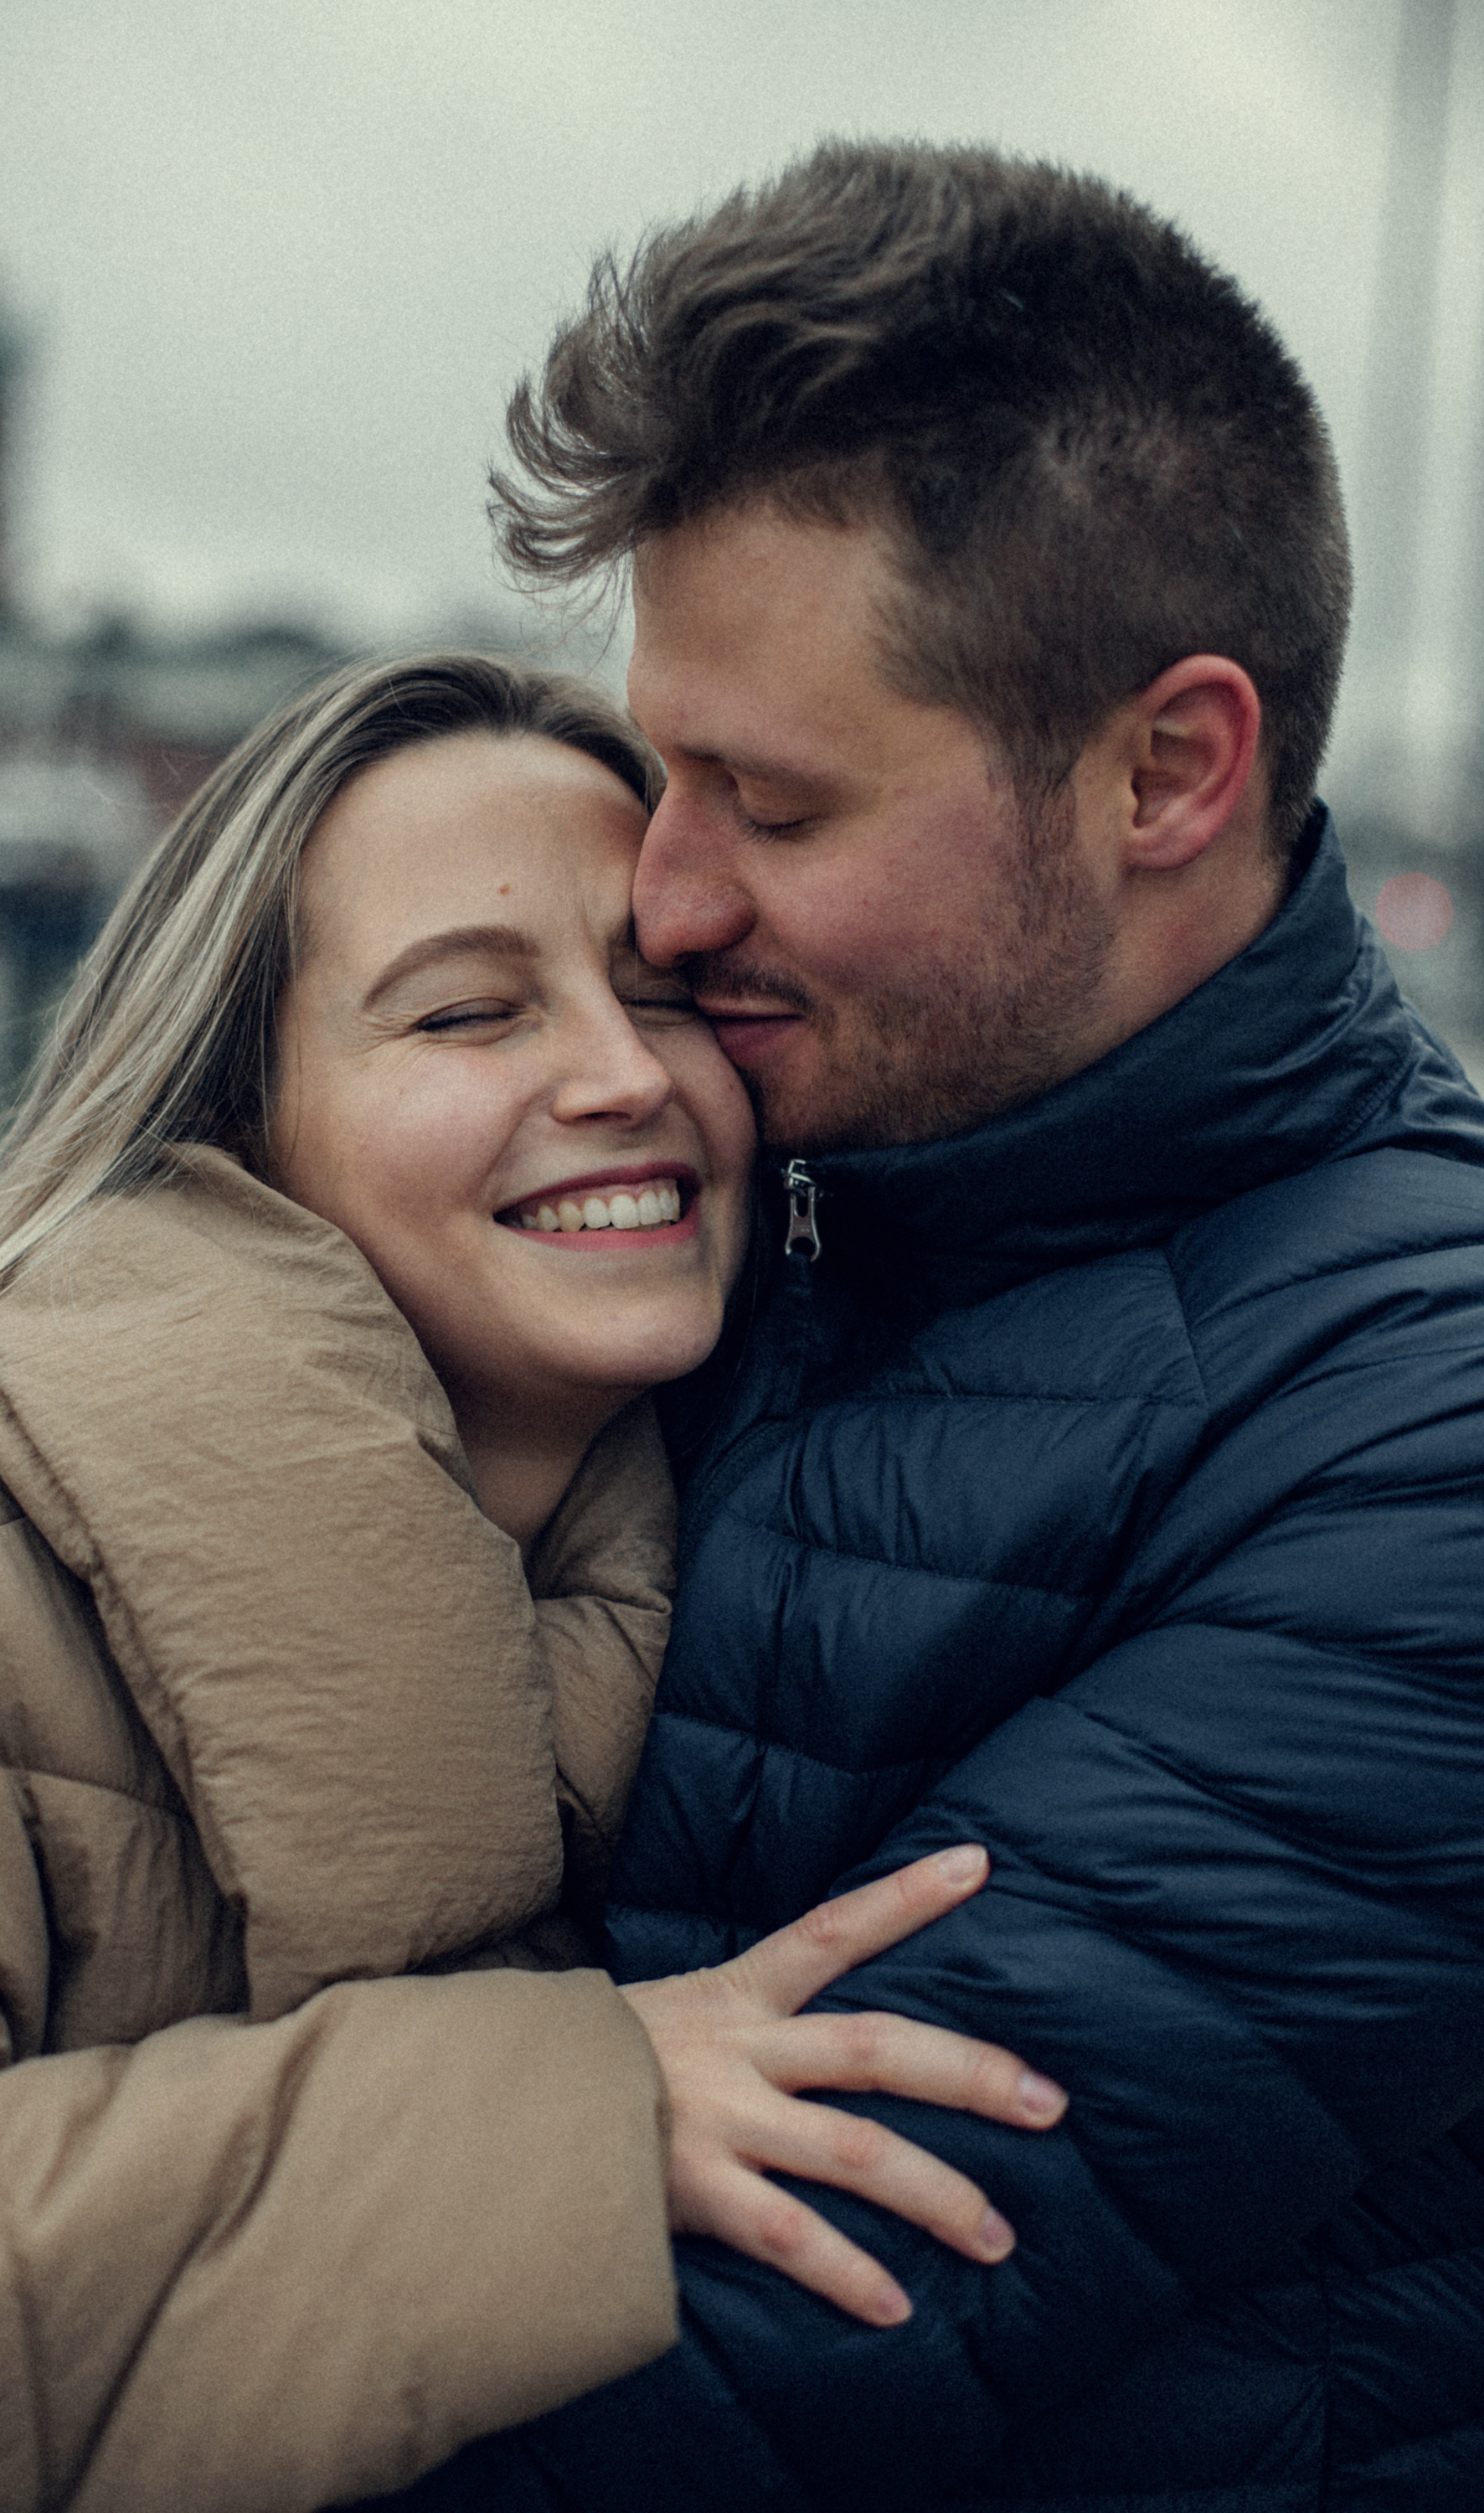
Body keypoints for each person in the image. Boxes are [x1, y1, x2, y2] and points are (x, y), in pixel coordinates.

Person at [389, 147, 1484, 2510]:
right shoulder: (722, 1194)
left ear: (1166, 772)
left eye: (771, 802)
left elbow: (728, 2368)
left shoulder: (1428, 1431)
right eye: (661, 768)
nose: (667, 899)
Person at [0, 653, 1072, 2512]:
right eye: (469, 1014)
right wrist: (565, 2122)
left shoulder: (780, 1568)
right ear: (238, 1123)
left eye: (664, 992)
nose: (625, 1072)